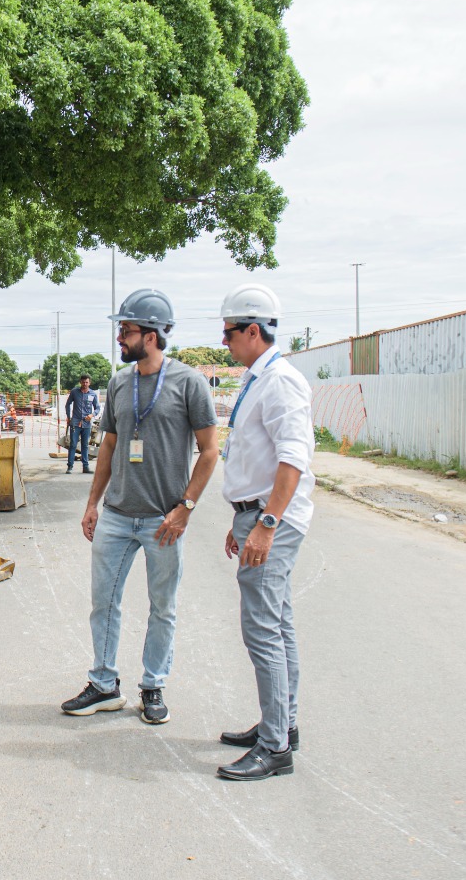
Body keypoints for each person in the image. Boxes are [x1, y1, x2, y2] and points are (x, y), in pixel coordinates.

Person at [63, 288, 220, 725]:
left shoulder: (188, 383)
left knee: (162, 607)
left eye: (126, 330)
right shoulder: (118, 382)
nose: (119, 338)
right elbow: (110, 444)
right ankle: (103, 684)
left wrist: (186, 507)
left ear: (150, 334)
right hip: (116, 516)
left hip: (162, 521)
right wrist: (93, 503)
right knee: (103, 603)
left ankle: (153, 686)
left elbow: (210, 451)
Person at [214, 283, 316, 782]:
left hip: (272, 518)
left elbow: (293, 458)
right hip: (255, 514)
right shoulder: (261, 377)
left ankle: (275, 748)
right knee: (278, 623)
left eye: (230, 334)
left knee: (262, 628)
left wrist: (265, 525)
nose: (225, 343)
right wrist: (244, 518)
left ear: (253, 330)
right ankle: (282, 724)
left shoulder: (280, 381)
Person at [64, 374, 98, 474]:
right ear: (80, 382)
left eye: (86, 382)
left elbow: (97, 408)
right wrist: (68, 417)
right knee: (73, 444)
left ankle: (85, 467)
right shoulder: (74, 392)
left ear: (89, 383)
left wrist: (92, 415)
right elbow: (68, 404)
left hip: (87, 424)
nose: (85, 384)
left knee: (85, 445)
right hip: (75, 423)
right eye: (83, 382)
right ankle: (70, 466)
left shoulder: (93, 394)